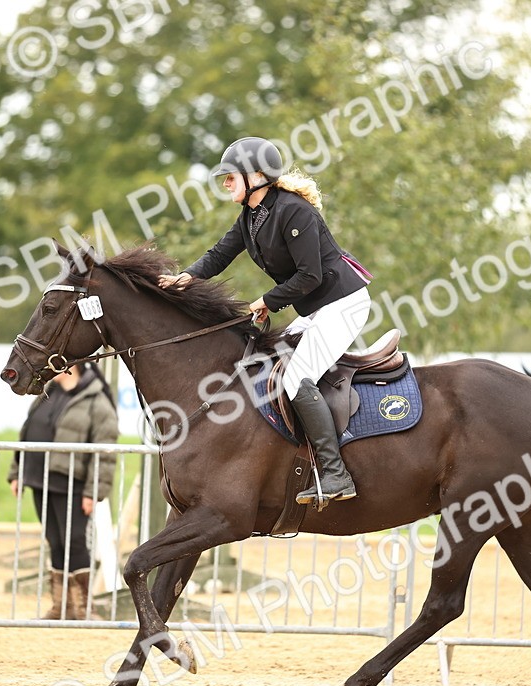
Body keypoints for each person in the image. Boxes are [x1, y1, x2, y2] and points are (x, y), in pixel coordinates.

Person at [157, 136, 372, 504]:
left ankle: (337, 474)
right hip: (316, 311)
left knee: (296, 378)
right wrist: (186, 277)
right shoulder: (251, 216)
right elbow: (219, 254)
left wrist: (267, 300)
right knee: (269, 367)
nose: (225, 183)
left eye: (230, 177)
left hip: (343, 304)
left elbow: (310, 276)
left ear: (256, 176)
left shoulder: (294, 211)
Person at [9, 362, 119, 620]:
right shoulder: (46, 392)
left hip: (72, 483)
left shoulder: (96, 399)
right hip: (39, 479)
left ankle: (83, 608)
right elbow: (27, 433)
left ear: (72, 366)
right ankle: (60, 606)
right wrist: (17, 472)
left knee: (76, 541)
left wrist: (94, 492)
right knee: (55, 541)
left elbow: (105, 452)